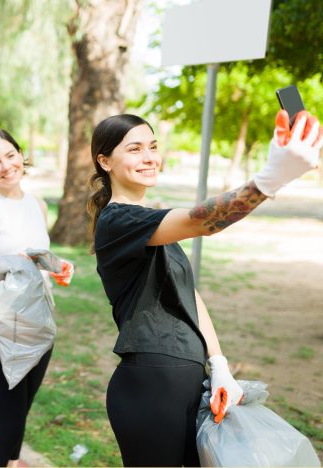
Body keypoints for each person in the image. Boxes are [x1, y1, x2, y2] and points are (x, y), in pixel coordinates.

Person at [88, 110, 322, 466]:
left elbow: (189, 296)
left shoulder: (150, 221)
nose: (149, 156)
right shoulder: (118, 220)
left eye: (152, 146)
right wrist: (269, 180)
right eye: (134, 149)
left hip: (189, 382)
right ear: (104, 161)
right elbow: (204, 221)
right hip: (150, 387)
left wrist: (220, 365)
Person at [0, 130, 73, 467]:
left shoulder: (36, 204)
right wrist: (13, 264)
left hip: (40, 329)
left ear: (21, 154)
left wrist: (58, 269)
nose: (6, 166)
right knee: (7, 429)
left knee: (19, 423)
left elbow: (38, 262)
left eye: (10, 155)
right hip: (4, 334)